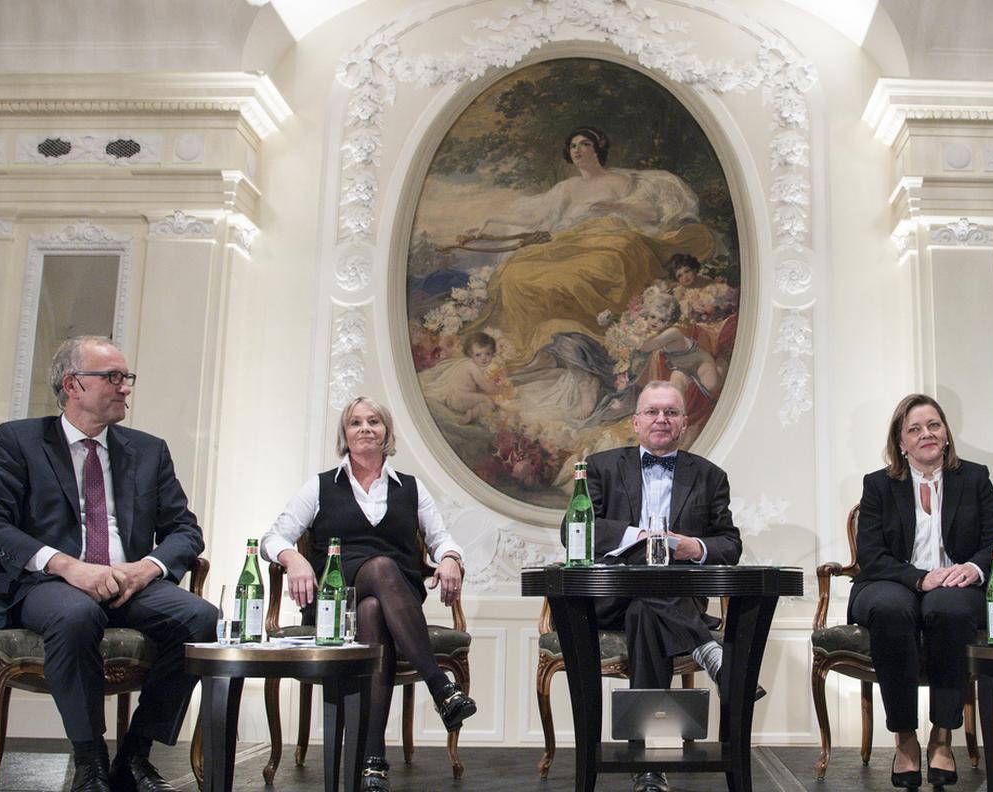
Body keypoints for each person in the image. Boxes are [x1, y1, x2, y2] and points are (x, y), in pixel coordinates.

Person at [0, 336, 216, 792]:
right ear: (73, 384)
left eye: (126, 377)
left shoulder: (148, 449)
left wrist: (147, 568)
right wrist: (66, 565)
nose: (125, 388)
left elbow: (185, 531)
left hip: (129, 581)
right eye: (113, 377)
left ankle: (136, 756)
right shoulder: (19, 440)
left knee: (200, 617)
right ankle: (90, 760)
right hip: (49, 585)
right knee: (78, 614)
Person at [261, 396, 476, 792]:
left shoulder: (410, 488)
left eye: (374, 421)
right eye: (355, 422)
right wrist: (294, 559)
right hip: (334, 599)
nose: (365, 428)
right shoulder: (322, 485)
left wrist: (449, 558)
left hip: (393, 597)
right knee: (379, 567)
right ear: (345, 435)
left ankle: (373, 760)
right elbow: (273, 537)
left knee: (374, 609)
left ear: (386, 433)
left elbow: (442, 537)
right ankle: (440, 687)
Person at [571, 380, 743, 792]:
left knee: (644, 610)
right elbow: (574, 530)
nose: (661, 419)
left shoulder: (710, 476)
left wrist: (692, 546)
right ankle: (705, 647)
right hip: (610, 597)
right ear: (635, 421)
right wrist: (640, 539)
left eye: (670, 412)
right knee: (644, 555)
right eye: (652, 412)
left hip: (661, 603)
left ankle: (647, 764)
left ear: (684, 422)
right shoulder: (600, 466)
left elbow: (730, 544)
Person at [847, 394, 993, 790]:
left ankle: (942, 735)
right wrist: (920, 578)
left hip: (954, 585)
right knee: (890, 608)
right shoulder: (879, 485)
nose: (927, 434)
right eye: (915, 429)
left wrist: (972, 569)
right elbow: (871, 556)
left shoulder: (973, 478)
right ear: (901, 443)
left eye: (934, 425)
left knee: (949, 610)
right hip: (890, 582)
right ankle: (905, 738)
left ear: (946, 434)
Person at [461, 125, 717, 368]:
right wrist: (490, 221)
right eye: (573, 145)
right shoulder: (567, 188)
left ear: (598, 149)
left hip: (611, 238)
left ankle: (574, 343)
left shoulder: (618, 181)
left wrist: (612, 206)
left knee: (584, 273)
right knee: (516, 273)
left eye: (585, 144)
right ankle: (536, 348)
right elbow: (535, 218)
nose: (578, 149)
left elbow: (649, 213)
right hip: (571, 243)